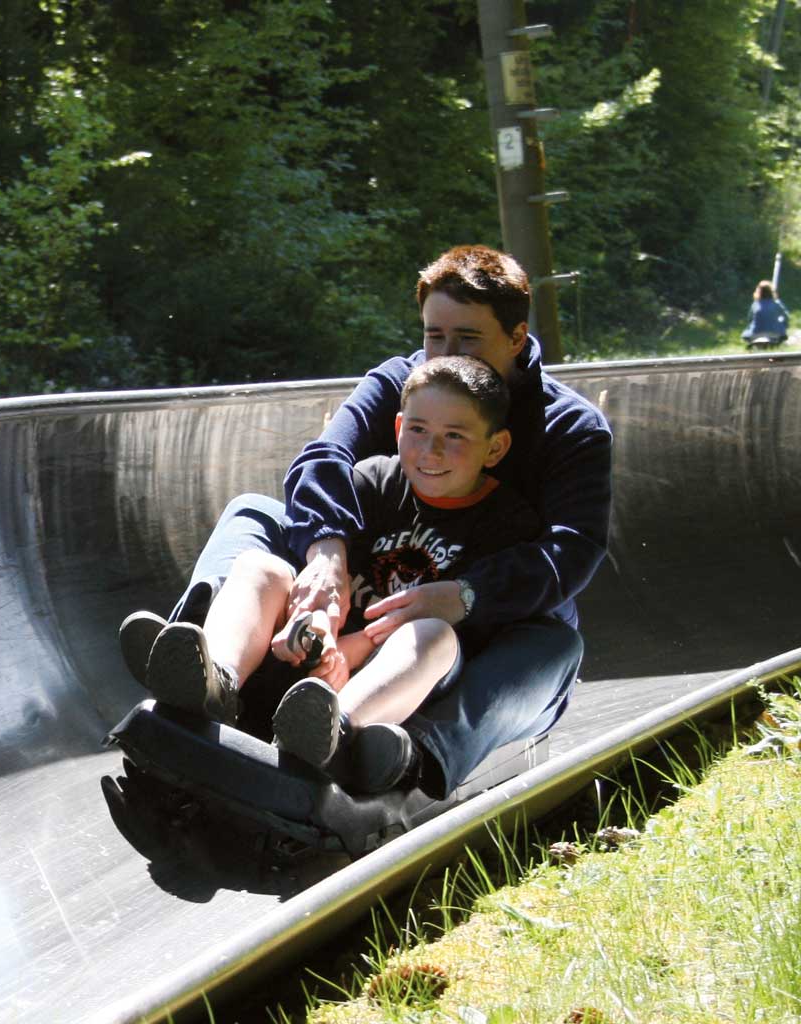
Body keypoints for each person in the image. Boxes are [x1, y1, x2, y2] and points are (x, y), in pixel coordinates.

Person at [120, 244, 613, 800]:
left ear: (517, 337)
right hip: (364, 597)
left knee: (555, 645)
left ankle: (405, 753)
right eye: (434, 336)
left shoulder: (570, 427)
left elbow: (574, 549)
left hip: (476, 632)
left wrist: (467, 596)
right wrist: (326, 555)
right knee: (252, 512)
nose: (445, 355)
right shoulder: (407, 382)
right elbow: (323, 459)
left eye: (468, 339)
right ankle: (204, 664)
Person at [138, 356, 541, 792]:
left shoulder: (507, 523)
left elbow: (477, 629)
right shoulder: (375, 481)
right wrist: (313, 626)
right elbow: (327, 580)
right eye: (418, 430)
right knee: (262, 567)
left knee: (432, 635)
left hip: (397, 680)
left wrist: (356, 649)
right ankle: (216, 681)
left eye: (455, 436)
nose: (432, 450)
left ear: (495, 447)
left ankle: (329, 729)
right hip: (319, 657)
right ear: (398, 427)